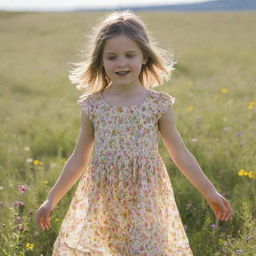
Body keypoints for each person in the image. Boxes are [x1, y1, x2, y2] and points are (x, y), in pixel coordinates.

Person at [35, 10, 233, 256]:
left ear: (144, 57)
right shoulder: (93, 105)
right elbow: (78, 158)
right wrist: (51, 199)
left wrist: (209, 191)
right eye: (112, 57)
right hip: (105, 198)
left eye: (130, 55)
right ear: (101, 61)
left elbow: (180, 153)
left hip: (147, 197)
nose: (121, 63)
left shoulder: (157, 104)